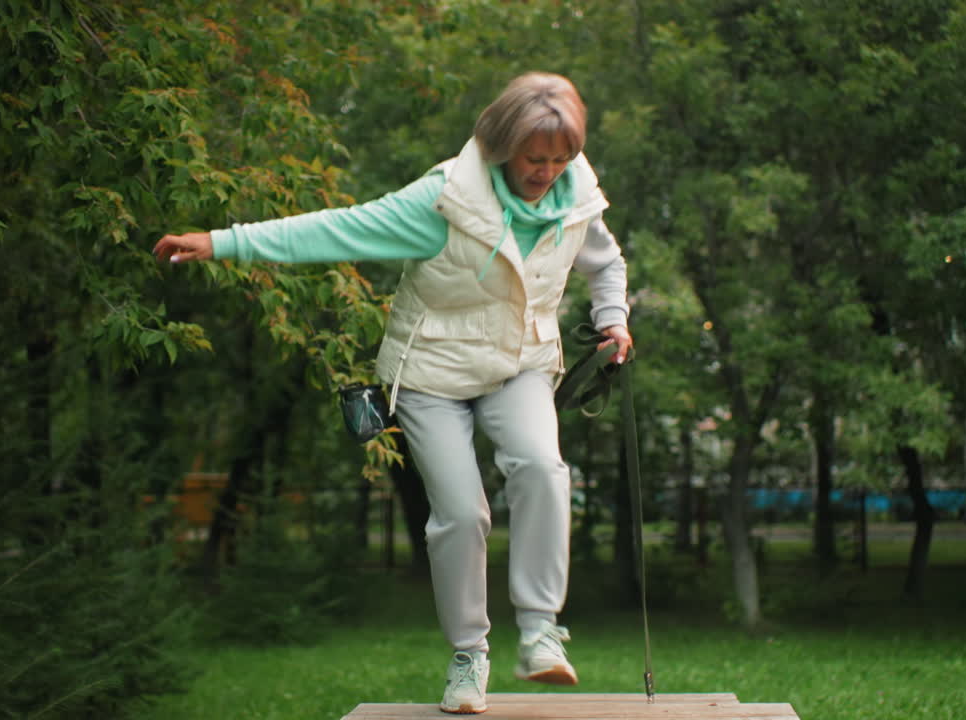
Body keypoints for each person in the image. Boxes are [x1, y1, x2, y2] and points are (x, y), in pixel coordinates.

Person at [154, 72, 632, 715]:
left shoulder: (576, 198)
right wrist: (222, 242)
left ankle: (541, 632)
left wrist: (613, 316)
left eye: (558, 160)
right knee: (462, 514)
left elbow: (606, 262)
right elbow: (335, 229)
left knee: (543, 468)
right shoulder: (442, 202)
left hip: (519, 365)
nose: (546, 172)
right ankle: (469, 656)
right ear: (499, 147)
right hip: (431, 374)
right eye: (533, 159)